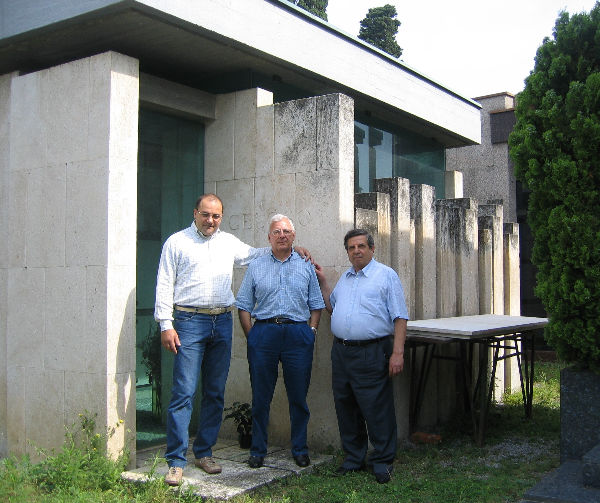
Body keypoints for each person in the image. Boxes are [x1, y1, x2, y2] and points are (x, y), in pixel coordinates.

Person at [154, 195, 311, 486]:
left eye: (216, 216)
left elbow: (256, 253)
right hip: (188, 321)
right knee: (184, 392)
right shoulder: (177, 242)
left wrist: (291, 247)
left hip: (221, 321)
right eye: (205, 214)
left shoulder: (228, 242)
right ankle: (175, 461)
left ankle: (204, 453)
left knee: (215, 392)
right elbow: (164, 283)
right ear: (195, 213)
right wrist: (166, 323)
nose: (210, 220)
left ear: (221, 217)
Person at [315, 229, 408, 484]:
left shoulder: (386, 276)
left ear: (372, 249)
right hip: (342, 352)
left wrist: (397, 353)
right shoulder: (346, 278)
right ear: (347, 252)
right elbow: (333, 307)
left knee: (376, 407)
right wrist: (323, 284)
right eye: (351, 247)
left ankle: (383, 460)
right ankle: (354, 458)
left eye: (361, 246)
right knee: (346, 406)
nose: (356, 251)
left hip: (372, 351)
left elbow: (400, 317)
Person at [236, 214, 325, 469]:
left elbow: (316, 304)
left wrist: (311, 331)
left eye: (286, 231)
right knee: (261, 397)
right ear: (269, 237)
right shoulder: (256, 266)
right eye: (277, 232)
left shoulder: (305, 265)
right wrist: (252, 336)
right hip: (264, 334)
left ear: (293, 236)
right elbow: (243, 305)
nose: (282, 235)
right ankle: (257, 450)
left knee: (298, 397)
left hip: (298, 335)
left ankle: (300, 449)